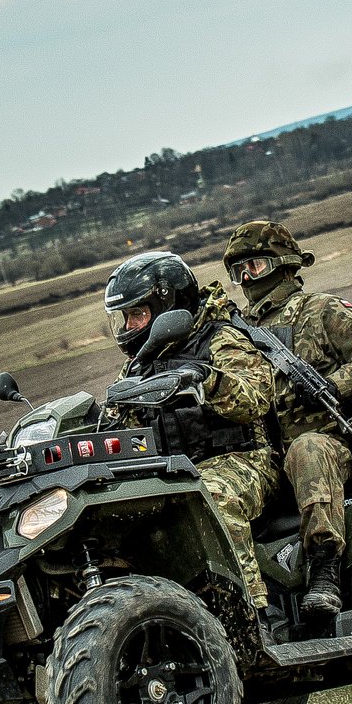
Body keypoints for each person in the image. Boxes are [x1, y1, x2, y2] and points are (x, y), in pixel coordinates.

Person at [221, 221, 352, 616]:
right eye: (239, 271)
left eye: (256, 266)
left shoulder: (321, 310)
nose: (248, 278)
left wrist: (334, 385)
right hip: (267, 458)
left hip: (329, 448)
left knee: (307, 447)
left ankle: (324, 570)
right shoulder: (237, 332)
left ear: (283, 264)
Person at [101, 251, 279, 609]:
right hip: (173, 472)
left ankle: (254, 611)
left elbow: (256, 398)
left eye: (138, 314)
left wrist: (207, 379)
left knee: (211, 498)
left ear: (168, 307)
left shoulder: (220, 339)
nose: (130, 326)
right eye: (126, 317)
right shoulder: (138, 366)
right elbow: (119, 426)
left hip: (240, 460)